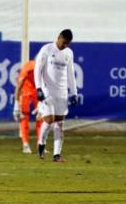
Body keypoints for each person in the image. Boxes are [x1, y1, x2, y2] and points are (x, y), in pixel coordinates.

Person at [34, 29, 78, 162]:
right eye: (64, 42)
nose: (65, 45)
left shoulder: (69, 53)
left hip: (62, 92)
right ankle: (41, 143)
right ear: (58, 38)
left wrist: (74, 93)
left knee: (59, 124)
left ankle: (56, 155)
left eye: (68, 44)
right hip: (48, 91)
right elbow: (38, 69)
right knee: (48, 120)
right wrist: (38, 88)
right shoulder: (47, 49)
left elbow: (71, 74)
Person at [13, 60, 43, 154]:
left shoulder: (45, 69)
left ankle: (41, 143)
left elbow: (47, 86)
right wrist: (16, 105)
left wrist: (41, 103)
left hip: (37, 90)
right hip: (25, 89)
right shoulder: (27, 69)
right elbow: (19, 87)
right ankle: (25, 144)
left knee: (41, 115)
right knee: (24, 115)